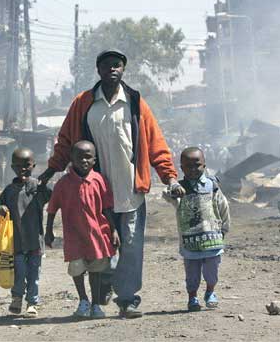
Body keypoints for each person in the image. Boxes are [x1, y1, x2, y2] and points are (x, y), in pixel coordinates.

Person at [39, 49, 184, 318]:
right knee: (97, 242)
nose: (112, 70)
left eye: (117, 65)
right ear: (99, 70)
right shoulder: (83, 103)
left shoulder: (135, 102)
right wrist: (49, 173)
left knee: (130, 245)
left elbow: (156, 144)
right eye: (107, 66)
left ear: (123, 70)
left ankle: (127, 299)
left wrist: (170, 177)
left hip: (129, 191)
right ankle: (103, 283)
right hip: (94, 194)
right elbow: (65, 142)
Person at [45, 140, 120, 318]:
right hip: (74, 237)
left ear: (94, 160)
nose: (84, 161)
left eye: (88, 157)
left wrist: (114, 230)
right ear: (72, 159)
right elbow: (52, 208)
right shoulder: (63, 184)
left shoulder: (99, 180)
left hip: (96, 235)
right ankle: (83, 300)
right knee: (77, 269)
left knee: (96, 270)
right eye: (79, 157)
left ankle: (95, 304)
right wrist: (48, 231)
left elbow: (107, 207)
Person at [163, 147, 230, 311]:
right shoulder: (180, 188)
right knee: (192, 273)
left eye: (197, 165)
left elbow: (223, 206)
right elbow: (166, 195)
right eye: (188, 166)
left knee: (211, 271)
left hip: (212, 239)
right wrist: (173, 188)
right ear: (182, 168)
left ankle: (210, 292)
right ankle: (192, 297)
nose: (193, 169)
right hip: (190, 241)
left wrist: (224, 229)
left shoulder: (212, 185)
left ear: (204, 165)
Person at [0, 147, 51, 318]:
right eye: (18, 166)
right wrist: (0, 209)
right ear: (12, 167)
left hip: (35, 241)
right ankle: (17, 299)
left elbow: (50, 196)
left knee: (34, 274)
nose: (23, 169)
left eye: (26, 165)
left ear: (33, 165)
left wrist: (43, 184)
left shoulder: (36, 186)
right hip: (15, 242)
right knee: (18, 274)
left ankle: (32, 303)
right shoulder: (9, 190)